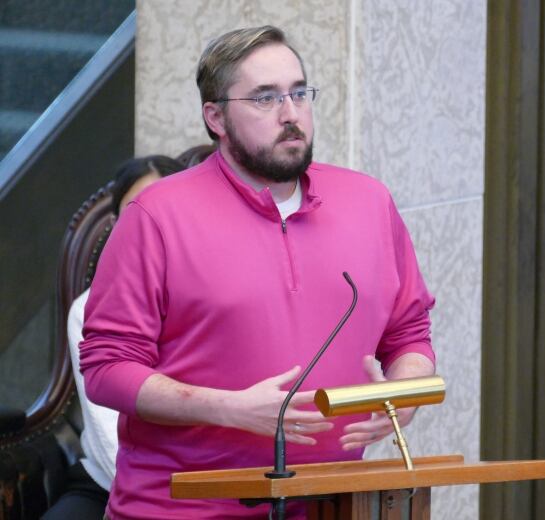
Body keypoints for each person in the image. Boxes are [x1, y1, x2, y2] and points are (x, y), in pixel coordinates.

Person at [80, 25, 435, 520]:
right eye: (265, 99)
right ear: (216, 116)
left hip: (333, 503)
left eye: (299, 93)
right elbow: (106, 368)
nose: (291, 114)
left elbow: (410, 336)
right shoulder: (157, 215)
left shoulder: (370, 202)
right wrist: (228, 408)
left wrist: (402, 397)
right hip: (182, 508)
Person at [43, 155, 185, 519]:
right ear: (117, 226)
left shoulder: (222, 295)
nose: (150, 226)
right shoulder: (89, 307)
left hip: (210, 483)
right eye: (136, 215)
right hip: (112, 482)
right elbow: (109, 435)